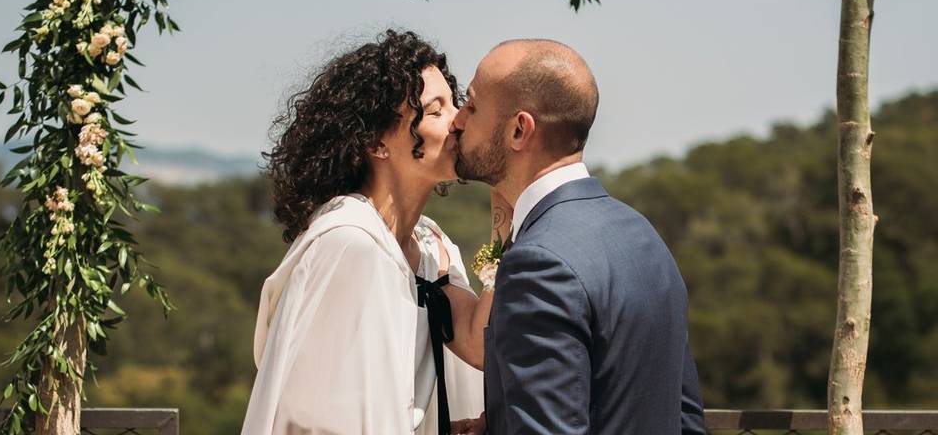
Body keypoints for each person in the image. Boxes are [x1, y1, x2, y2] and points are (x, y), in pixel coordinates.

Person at [448, 39, 707, 435]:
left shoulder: (538, 262)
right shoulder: (642, 234)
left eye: (472, 105)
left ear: (519, 130)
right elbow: (684, 418)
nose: (458, 120)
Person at [240, 30, 484, 435]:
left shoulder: (433, 246)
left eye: (454, 103)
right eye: (436, 110)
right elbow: (323, 421)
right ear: (376, 142)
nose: (459, 119)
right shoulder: (348, 244)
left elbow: (480, 345)